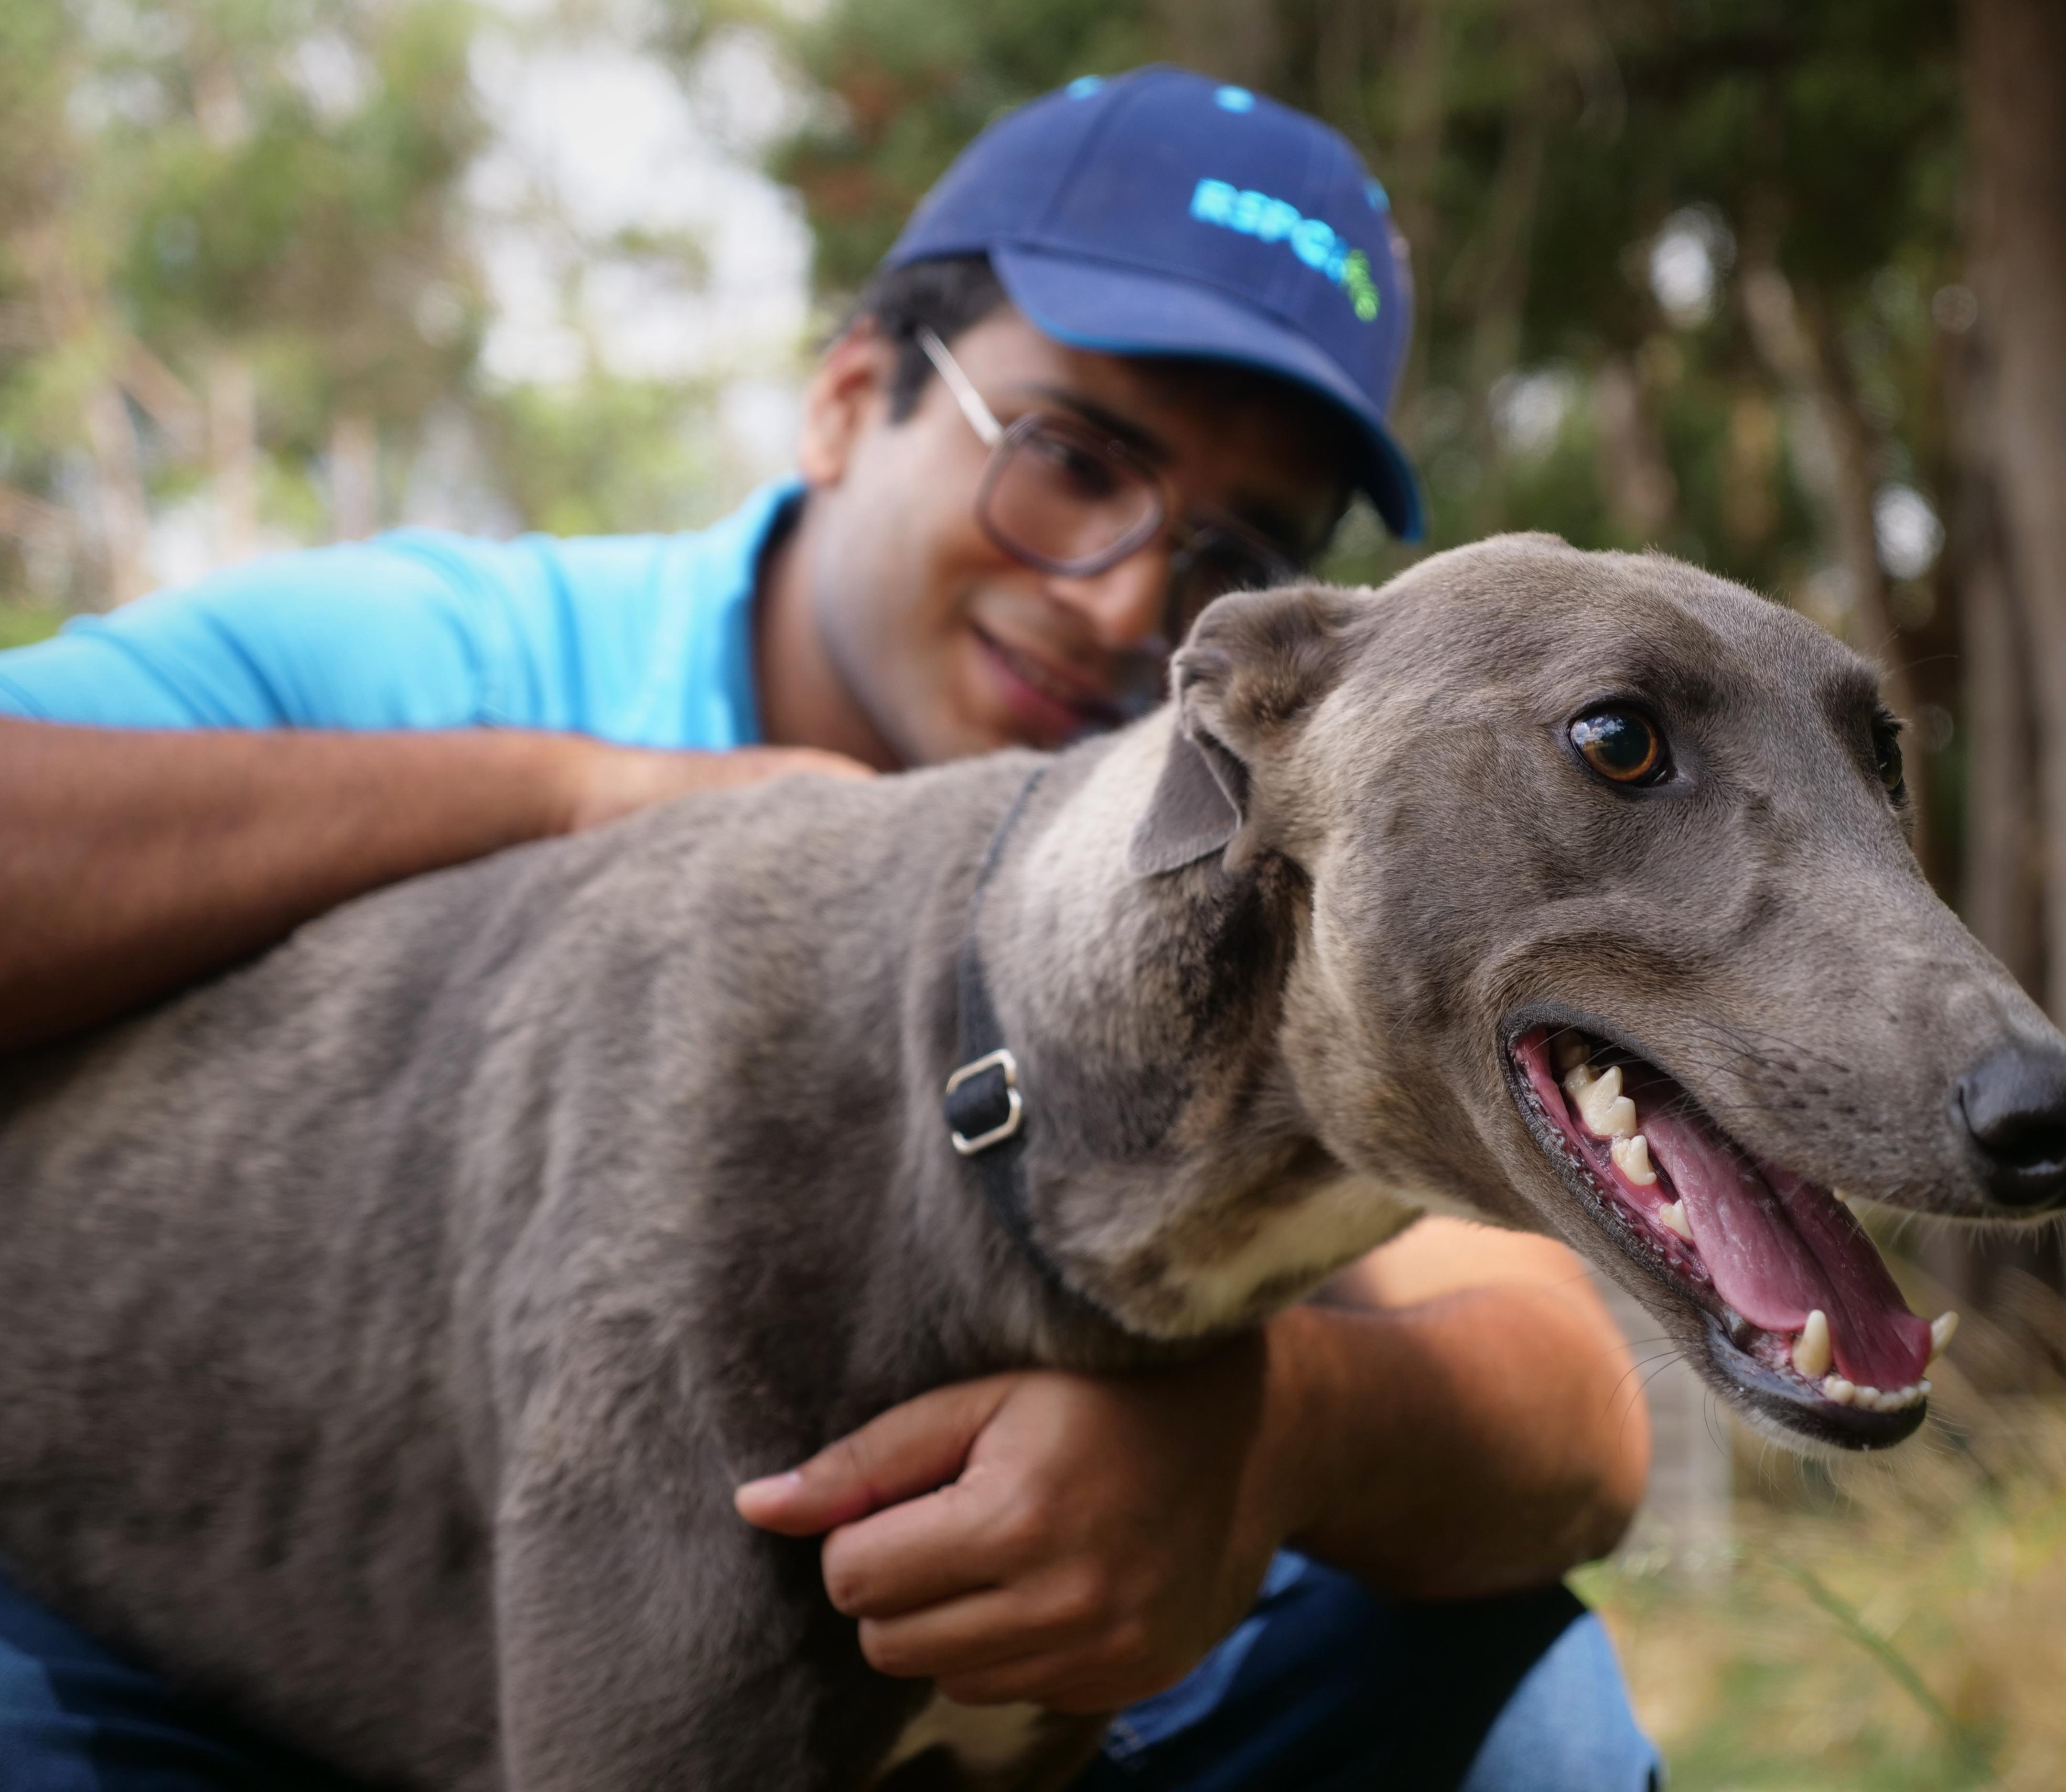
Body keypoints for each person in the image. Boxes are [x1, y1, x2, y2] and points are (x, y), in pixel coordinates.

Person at [0, 67, 1663, 1792]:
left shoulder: (1212, 866)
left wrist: (1267, 1449)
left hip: (920, 1642)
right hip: (203, 1584)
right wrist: (584, 799)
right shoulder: (451, 667)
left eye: (1224, 555)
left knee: (1506, 1704)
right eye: (1071, 458)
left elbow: (1572, 1407)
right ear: (849, 395)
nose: (1113, 599)